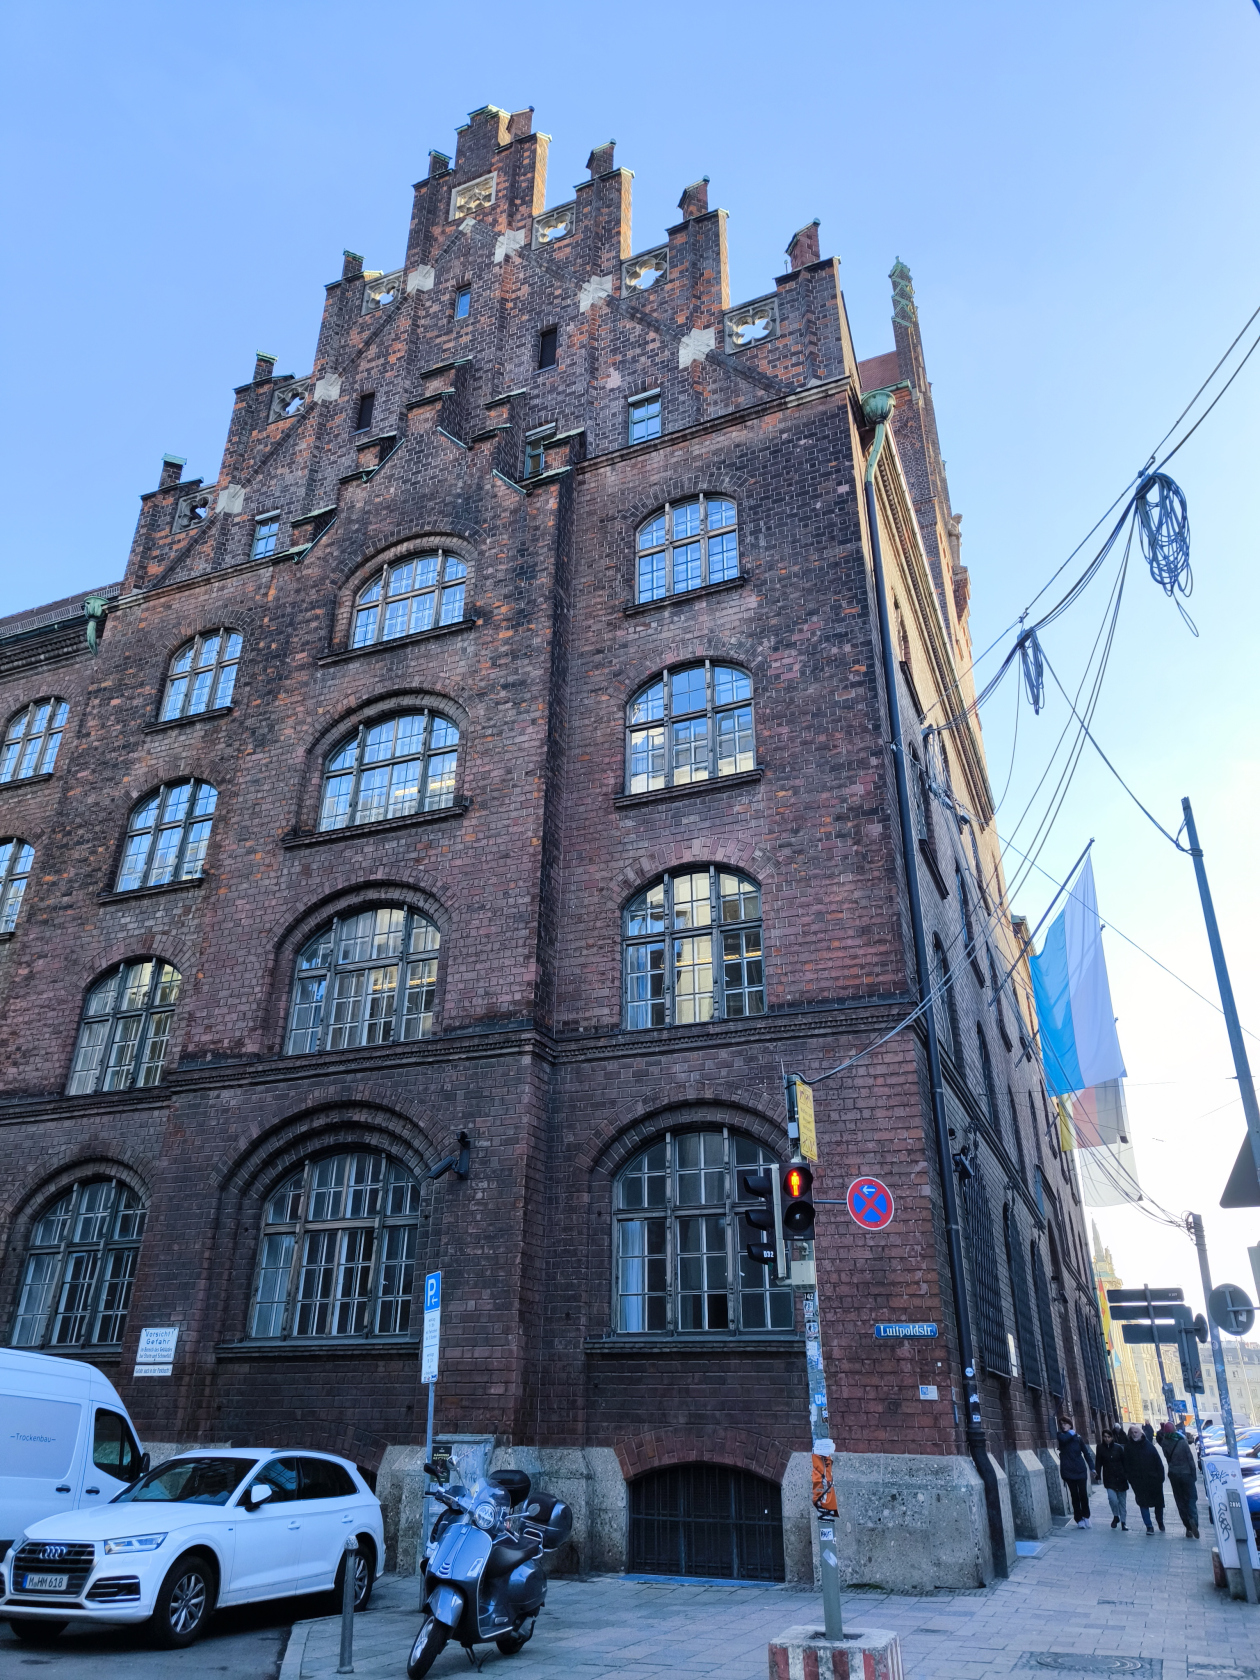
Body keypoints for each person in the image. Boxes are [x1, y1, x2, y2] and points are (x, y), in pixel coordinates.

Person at [1124, 1423, 1166, 1533]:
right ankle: (1149, 1526)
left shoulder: (1149, 1446)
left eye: (1136, 1432)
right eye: (1132, 1433)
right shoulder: (1128, 1448)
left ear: (1141, 1433)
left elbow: (1158, 1462)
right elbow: (1126, 1465)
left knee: (1158, 1504)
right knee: (1143, 1504)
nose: (1134, 1434)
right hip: (1139, 1482)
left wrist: (1160, 1478)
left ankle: (1160, 1521)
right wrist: (1131, 1479)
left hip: (1154, 1481)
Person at [1159, 1424, 1200, 1539]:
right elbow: (1190, 1459)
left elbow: (1168, 1458)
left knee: (1180, 1500)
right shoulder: (1182, 1442)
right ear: (1175, 1430)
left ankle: (1188, 1527)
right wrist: (1194, 1475)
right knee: (1191, 1499)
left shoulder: (1164, 1443)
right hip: (1186, 1474)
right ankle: (1193, 1521)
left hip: (1174, 1475)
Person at [1057, 1415, 1096, 1527]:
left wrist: (1092, 1467)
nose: (1063, 1426)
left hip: (1080, 1470)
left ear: (1070, 1425)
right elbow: (1064, 1440)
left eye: (1065, 1424)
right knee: (1074, 1496)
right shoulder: (1060, 1435)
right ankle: (1078, 1519)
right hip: (1068, 1471)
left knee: (1083, 1494)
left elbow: (1086, 1453)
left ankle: (1086, 1516)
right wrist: (1071, 1433)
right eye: (1062, 1424)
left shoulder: (1078, 1438)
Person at [1097, 1428, 1129, 1530]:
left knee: (1122, 1501)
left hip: (1121, 1477)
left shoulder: (1118, 1448)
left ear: (1112, 1437)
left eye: (1109, 1437)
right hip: (1109, 1478)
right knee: (1112, 1499)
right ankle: (1116, 1516)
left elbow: (1125, 1462)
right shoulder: (1100, 1448)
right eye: (1105, 1437)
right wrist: (1097, 1474)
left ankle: (1123, 1522)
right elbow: (1098, 1462)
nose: (1107, 1439)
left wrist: (1127, 1475)